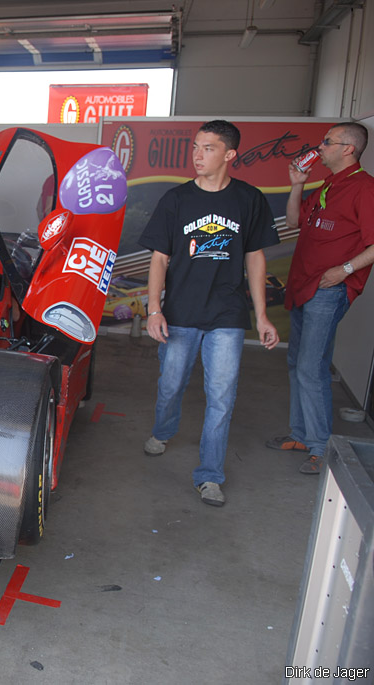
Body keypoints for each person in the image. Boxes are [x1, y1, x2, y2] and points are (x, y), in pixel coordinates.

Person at [140, 119, 280, 508]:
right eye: (196, 147)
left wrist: (262, 316)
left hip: (227, 315)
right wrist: (154, 309)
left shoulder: (249, 200)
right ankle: (163, 430)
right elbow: (159, 258)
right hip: (181, 313)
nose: (197, 155)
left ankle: (209, 476)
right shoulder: (177, 200)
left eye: (208, 148)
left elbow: (255, 259)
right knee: (171, 386)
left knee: (221, 396)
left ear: (230, 154)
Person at [266, 122, 374, 474]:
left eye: (328, 142)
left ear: (348, 149)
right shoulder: (329, 184)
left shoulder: (364, 188)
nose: (321, 147)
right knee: (299, 364)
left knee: (312, 368)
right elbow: (296, 222)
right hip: (304, 285)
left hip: (328, 289)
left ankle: (319, 446)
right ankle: (301, 434)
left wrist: (344, 270)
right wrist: (297, 185)